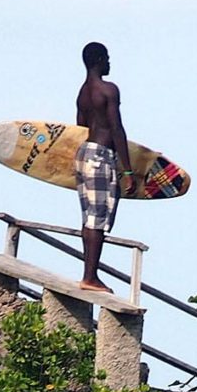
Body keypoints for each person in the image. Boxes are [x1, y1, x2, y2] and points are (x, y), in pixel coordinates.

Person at [75, 42, 136, 293]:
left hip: (84, 154)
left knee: (89, 217)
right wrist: (128, 170)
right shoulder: (108, 90)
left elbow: (78, 128)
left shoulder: (82, 93)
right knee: (98, 218)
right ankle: (90, 277)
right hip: (101, 156)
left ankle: (90, 274)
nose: (110, 63)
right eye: (107, 58)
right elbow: (116, 129)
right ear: (99, 59)